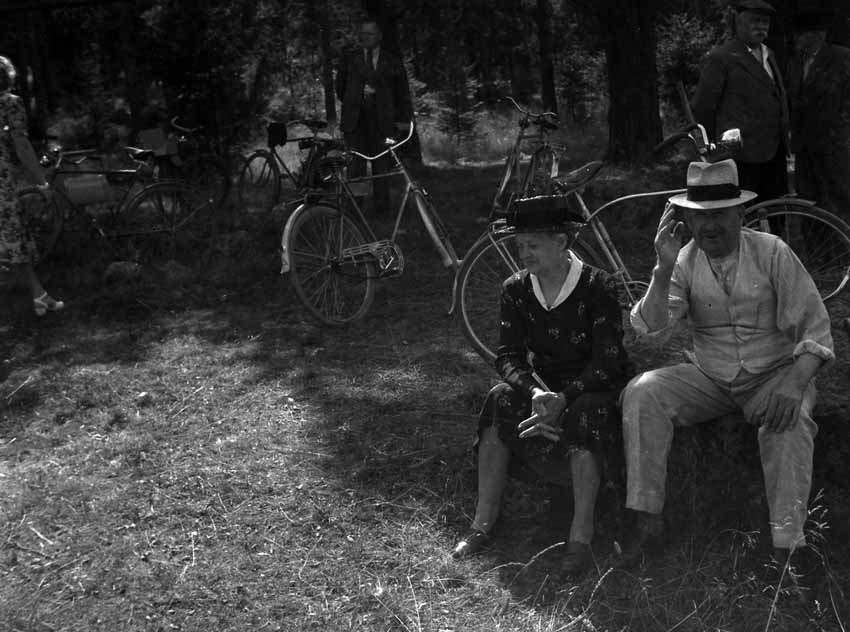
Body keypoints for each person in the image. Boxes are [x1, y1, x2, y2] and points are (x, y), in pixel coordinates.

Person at [617, 159, 833, 572]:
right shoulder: (684, 260)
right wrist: (662, 269)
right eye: (699, 217)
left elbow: (817, 330)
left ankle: (789, 549)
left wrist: (795, 384)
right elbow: (652, 331)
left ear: (740, 214)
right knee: (642, 392)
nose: (709, 226)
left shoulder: (772, 252)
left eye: (719, 215)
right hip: (711, 378)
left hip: (774, 375)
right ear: (686, 221)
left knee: (788, 424)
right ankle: (648, 523)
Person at [451, 197, 632, 575]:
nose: (524, 253)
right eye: (520, 245)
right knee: (499, 399)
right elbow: (507, 357)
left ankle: (581, 536)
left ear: (561, 242)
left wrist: (564, 399)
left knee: (587, 412)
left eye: (533, 244)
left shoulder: (599, 285)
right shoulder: (515, 289)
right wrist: (535, 394)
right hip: (545, 390)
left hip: (593, 388)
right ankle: (483, 522)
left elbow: (609, 361)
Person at [691, 0, 789, 201]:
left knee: (775, 210)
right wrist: (713, 149)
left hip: (774, 151)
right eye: (755, 21)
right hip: (742, 155)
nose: (761, 27)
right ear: (739, 22)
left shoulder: (769, 54)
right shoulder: (722, 57)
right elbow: (702, 107)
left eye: (765, 22)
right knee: (745, 212)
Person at [0, 56, 63, 317]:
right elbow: (22, 145)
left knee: (13, 239)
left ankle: (39, 296)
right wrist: (41, 181)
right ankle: (38, 297)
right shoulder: (9, 103)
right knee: (14, 237)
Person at [335, 19, 412, 216]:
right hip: (355, 122)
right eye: (363, 34)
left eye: (370, 34)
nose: (365, 37)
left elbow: (402, 93)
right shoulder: (350, 59)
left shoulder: (392, 61)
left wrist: (402, 120)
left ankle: (382, 210)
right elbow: (340, 88)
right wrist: (356, 99)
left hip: (383, 122)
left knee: (381, 167)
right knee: (355, 168)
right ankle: (355, 212)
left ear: (379, 36)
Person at [785, 9, 850, 223]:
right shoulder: (795, 62)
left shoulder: (841, 57)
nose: (796, 39)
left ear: (818, 35)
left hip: (834, 145)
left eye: (801, 34)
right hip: (804, 147)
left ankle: (843, 240)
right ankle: (815, 243)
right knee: (809, 201)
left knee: (839, 198)